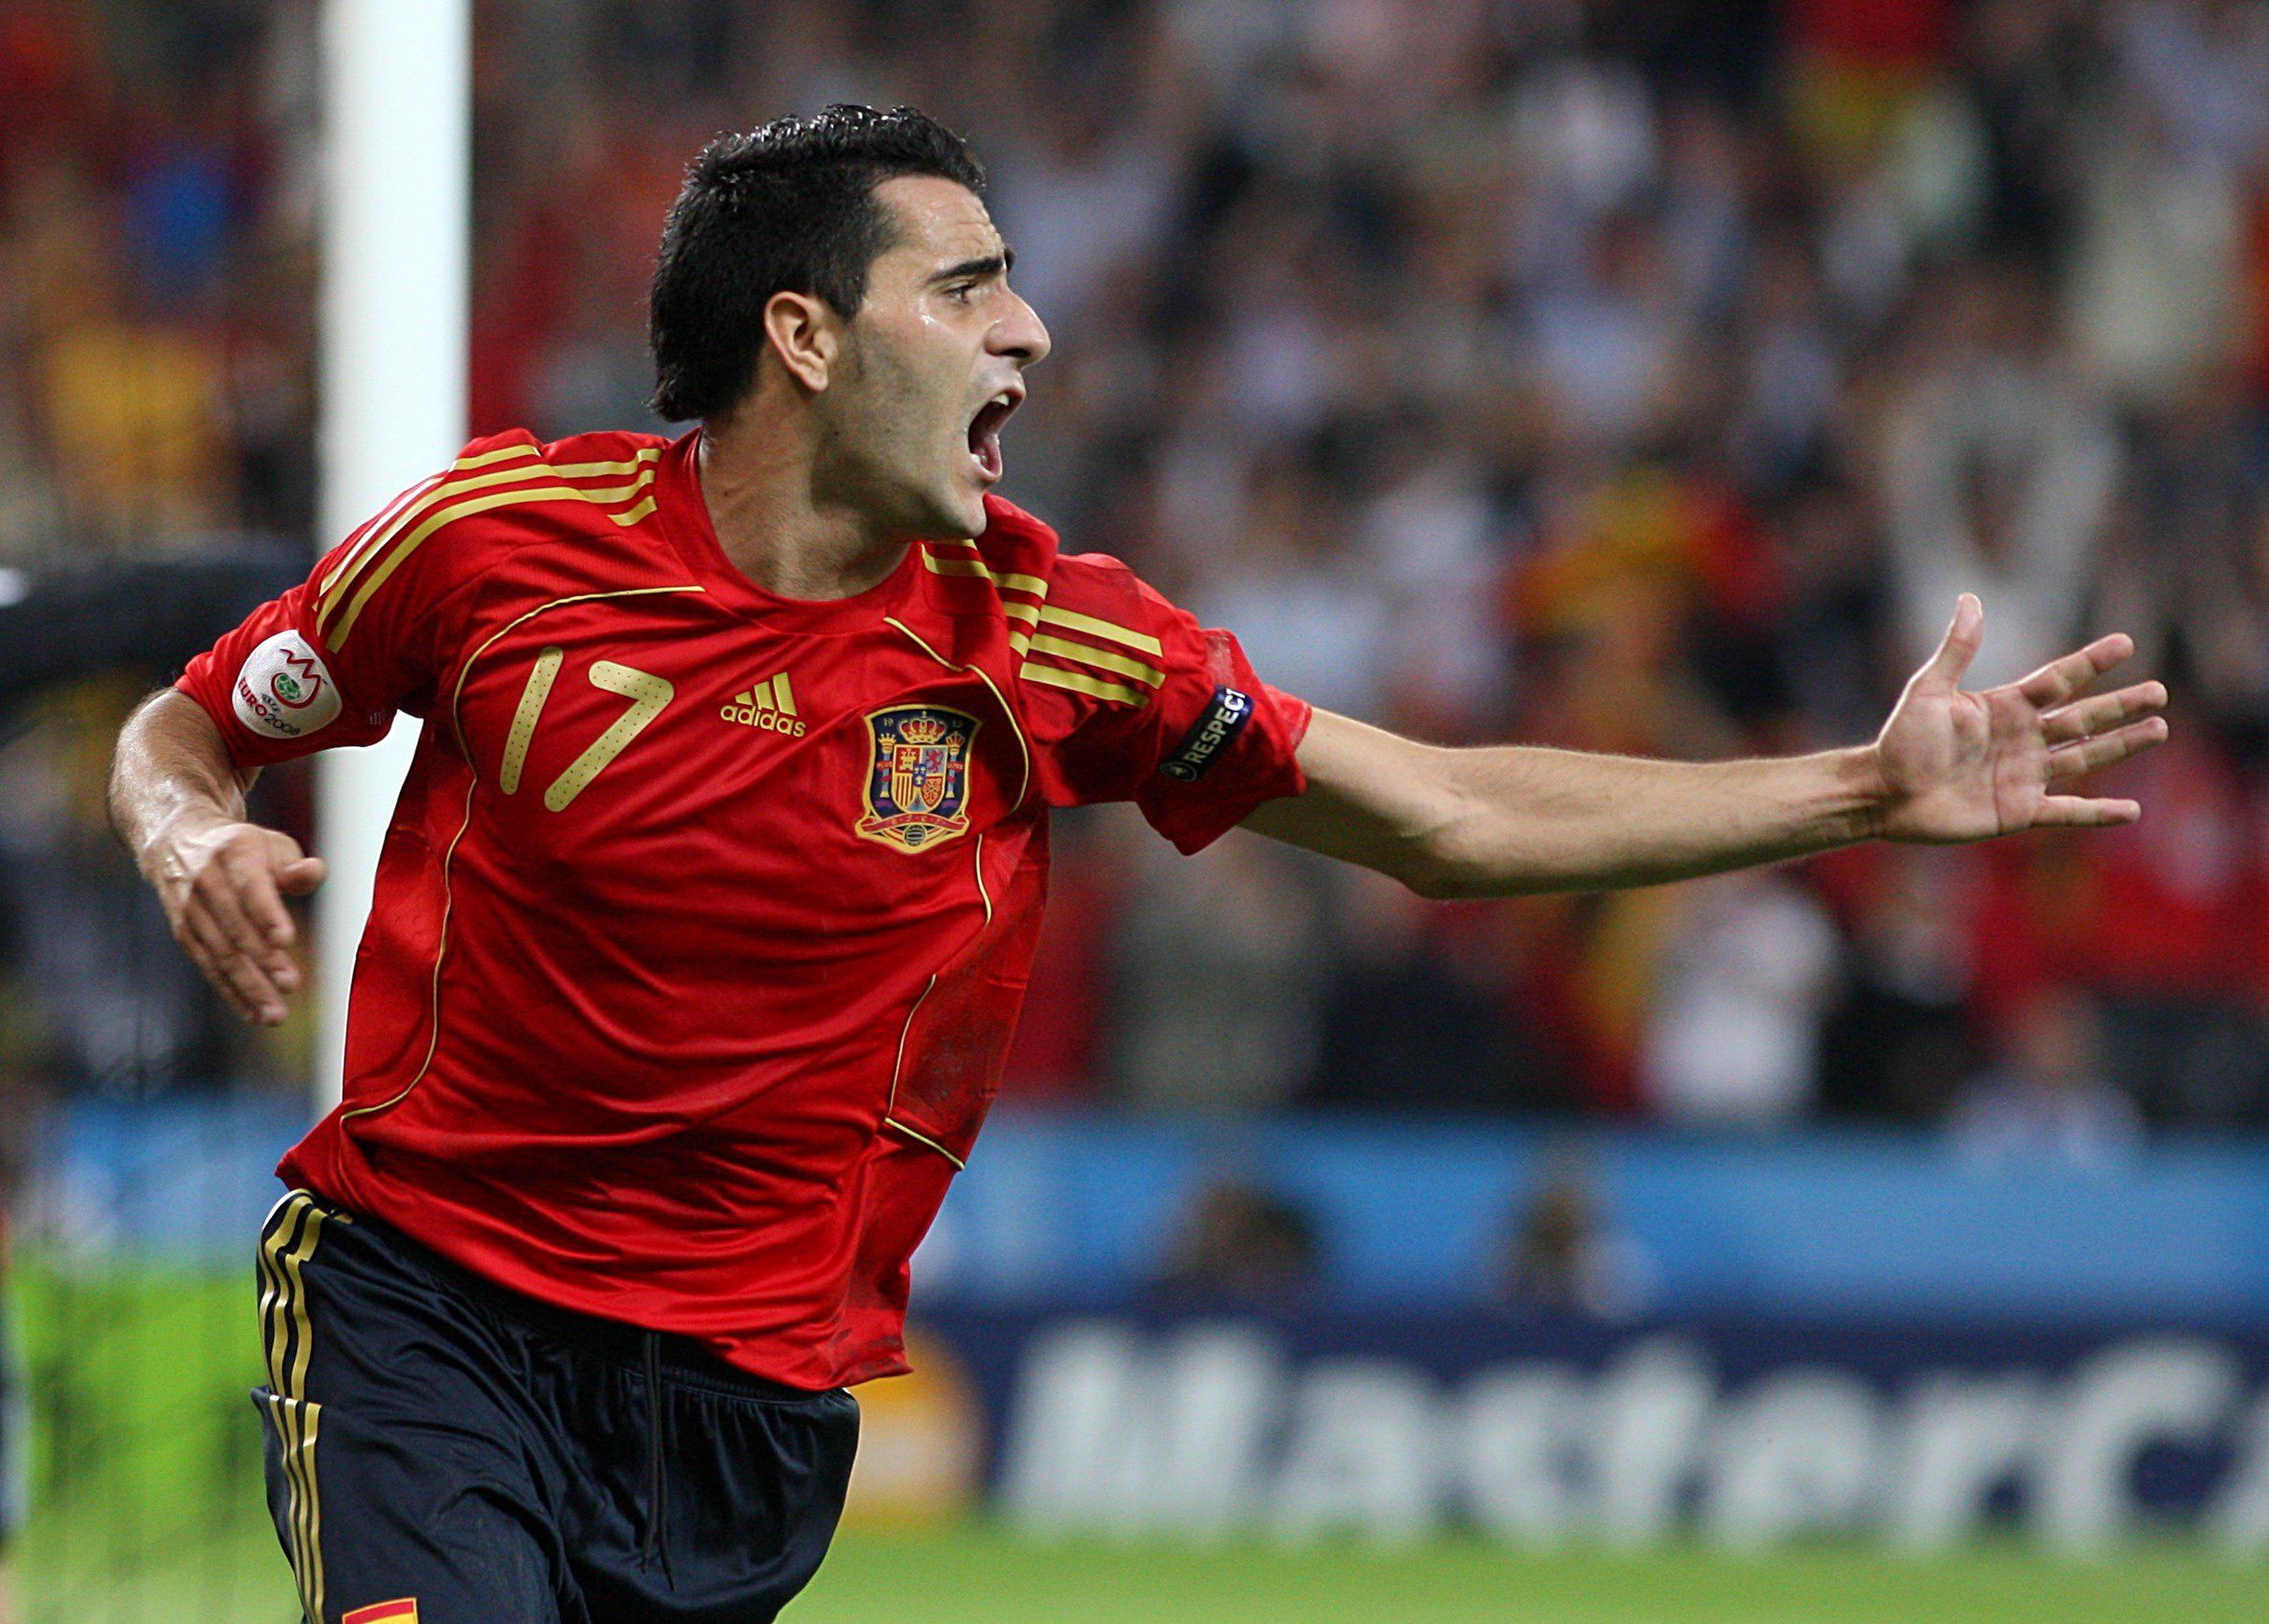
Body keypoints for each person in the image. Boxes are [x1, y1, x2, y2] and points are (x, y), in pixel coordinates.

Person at [105, 104, 2168, 1623]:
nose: (1035, 331)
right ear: (807, 335)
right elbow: (186, 719)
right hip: (429, 1299)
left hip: (747, 1398)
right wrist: (192, 822)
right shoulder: (492, 545)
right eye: (972, 282)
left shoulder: (1051, 639)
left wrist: (1857, 791)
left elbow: (1443, 818)